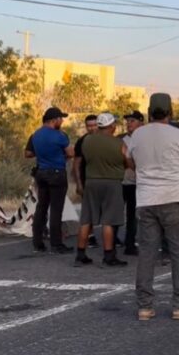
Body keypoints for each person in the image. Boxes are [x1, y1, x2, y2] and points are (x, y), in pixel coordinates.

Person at [130, 93, 179, 321]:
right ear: (170, 112)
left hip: (146, 199)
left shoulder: (137, 134)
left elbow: (130, 162)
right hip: (173, 197)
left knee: (147, 253)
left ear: (149, 111)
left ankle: (145, 307)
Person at [75, 113, 130, 268]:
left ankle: (80, 254)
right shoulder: (118, 143)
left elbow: (81, 160)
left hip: (91, 181)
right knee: (109, 220)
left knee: (86, 219)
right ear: (112, 126)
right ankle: (108, 256)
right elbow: (128, 161)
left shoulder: (87, 141)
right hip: (112, 183)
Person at [25, 107, 74, 254]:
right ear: (54, 120)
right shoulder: (60, 136)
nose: (62, 121)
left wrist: (42, 153)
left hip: (41, 172)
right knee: (56, 209)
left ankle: (38, 242)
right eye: (61, 118)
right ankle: (56, 244)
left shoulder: (35, 135)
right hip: (57, 172)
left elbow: (27, 153)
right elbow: (70, 153)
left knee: (41, 207)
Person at [72, 115, 100, 249]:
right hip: (87, 181)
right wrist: (78, 183)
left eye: (94, 125)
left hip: (104, 180)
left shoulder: (105, 140)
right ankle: (90, 236)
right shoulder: (81, 142)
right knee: (88, 211)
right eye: (89, 126)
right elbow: (76, 164)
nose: (92, 128)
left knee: (105, 211)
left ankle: (111, 236)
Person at [119, 110, 144, 255]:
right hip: (123, 181)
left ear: (141, 123)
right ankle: (115, 239)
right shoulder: (122, 140)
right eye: (127, 121)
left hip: (138, 182)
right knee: (118, 212)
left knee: (133, 215)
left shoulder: (144, 140)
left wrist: (127, 158)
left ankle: (130, 243)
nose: (129, 123)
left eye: (132, 121)